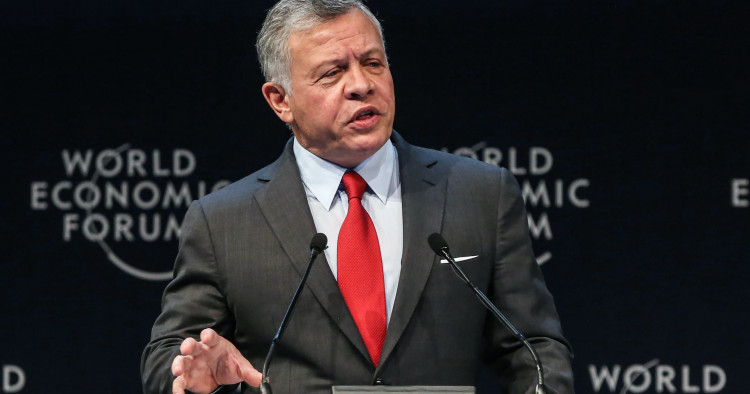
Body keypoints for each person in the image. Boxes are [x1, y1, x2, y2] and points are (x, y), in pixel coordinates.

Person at [141, 1, 574, 393]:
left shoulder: (478, 193)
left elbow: (533, 348)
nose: (361, 85)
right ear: (280, 101)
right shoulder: (223, 222)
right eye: (332, 73)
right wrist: (193, 377)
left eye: (372, 63)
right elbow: (168, 357)